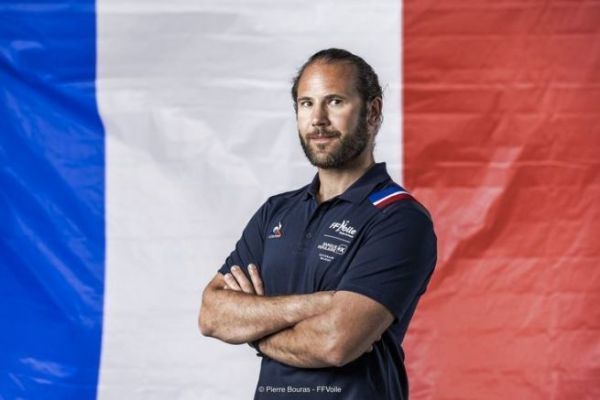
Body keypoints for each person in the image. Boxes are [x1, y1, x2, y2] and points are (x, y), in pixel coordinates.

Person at [198, 48, 437, 400]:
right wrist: (321, 303)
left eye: (335, 102)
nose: (318, 120)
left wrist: (252, 326)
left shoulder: (399, 219)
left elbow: (335, 343)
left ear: (372, 112)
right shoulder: (276, 213)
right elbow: (212, 314)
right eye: (306, 104)